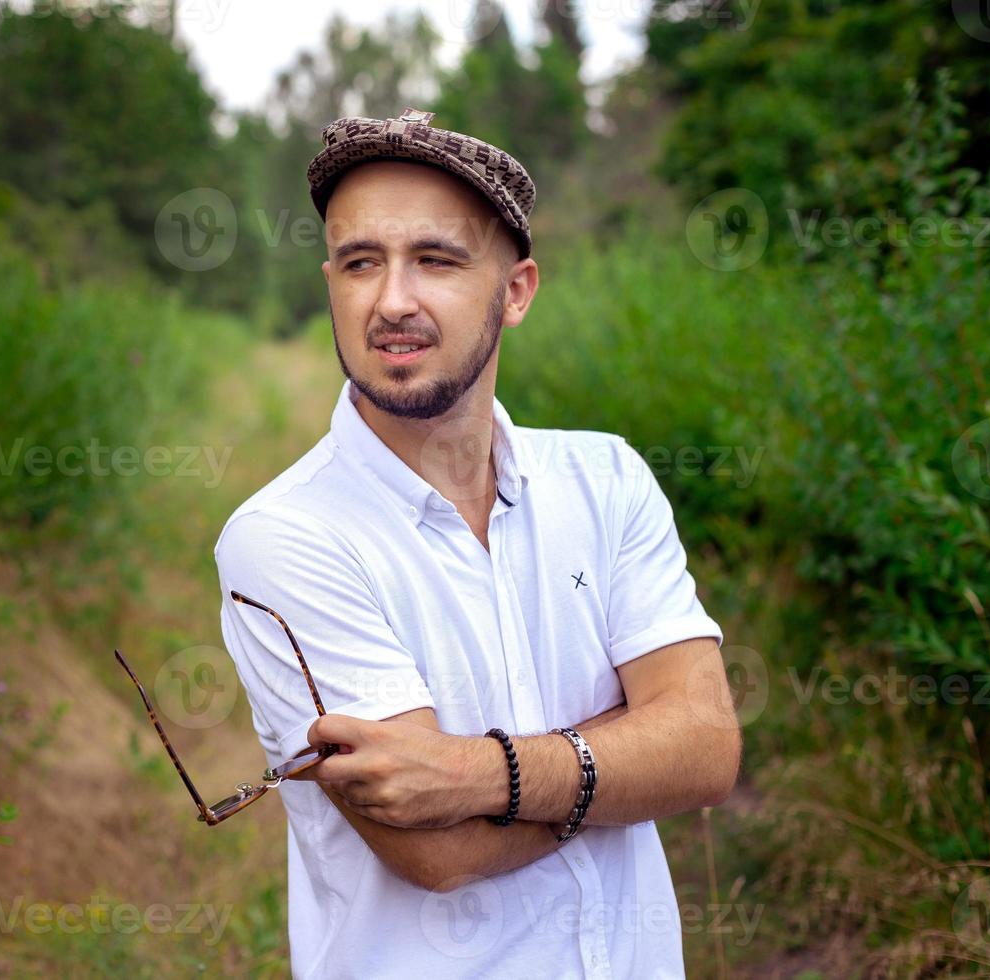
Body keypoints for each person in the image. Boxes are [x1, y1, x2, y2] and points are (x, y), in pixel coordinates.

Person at [213, 108, 741, 979]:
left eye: (436, 259)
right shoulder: (285, 538)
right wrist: (627, 746)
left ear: (517, 290)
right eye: (360, 263)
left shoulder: (605, 479)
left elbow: (707, 748)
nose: (392, 301)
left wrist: (470, 771)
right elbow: (440, 855)